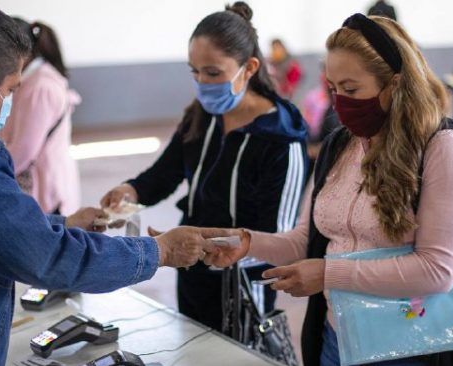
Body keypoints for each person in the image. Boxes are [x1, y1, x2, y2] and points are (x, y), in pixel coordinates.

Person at [0, 5, 234, 366]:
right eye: (10, 90)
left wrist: (60, 226)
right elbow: (40, 254)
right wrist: (158, 252)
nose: (9, 103)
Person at [203, 13, 453, 366]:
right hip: (339, 340)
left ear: (394, 86)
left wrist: (328, 274)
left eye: (351, 89)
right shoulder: (340, 146)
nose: (340, 102)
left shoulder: (443, 148)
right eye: (334, 89)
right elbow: (308, 240)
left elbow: (437, 270)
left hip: (412, 349)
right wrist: (245, 243)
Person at [99, 2, 308, 333]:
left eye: (213, 73)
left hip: (240, 291)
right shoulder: (201, 115)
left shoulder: (282, 139)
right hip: (191, 275)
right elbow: (165, 173)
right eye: (194, 72)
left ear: (249, 68)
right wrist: (131, 190)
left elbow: (279, 242)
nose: (202, 83)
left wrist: (204, 247)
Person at [0, 19, 81, 215]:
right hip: (38, 184)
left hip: (47, 192)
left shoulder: (40, 88)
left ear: (20, 53)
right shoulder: (30, 79)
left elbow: (24, 151)